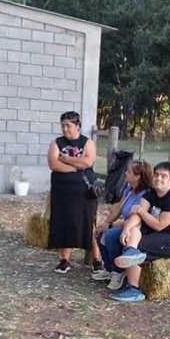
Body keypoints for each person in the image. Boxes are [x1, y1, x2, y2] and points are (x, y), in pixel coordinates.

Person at [112, 162, 170, 302]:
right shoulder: (151, 193)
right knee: (132, 233)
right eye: (156, 175)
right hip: (157, 234)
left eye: (164, 176)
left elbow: (159, 225)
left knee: (140, 245)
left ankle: (134, 289)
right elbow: (137, 216)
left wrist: (140, 210)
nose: (158, 178)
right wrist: (126, 228)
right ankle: (131, 251)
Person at [47, 111, 98, 274]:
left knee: (89, 223)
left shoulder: (87, 142)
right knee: (63, 222)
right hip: (62, 191)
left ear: (77, 126)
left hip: (84, 192)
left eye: (68, 125)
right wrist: (77, 166)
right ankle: (64, 259)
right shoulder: (56, 143)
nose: (65, 129)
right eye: (62, 125)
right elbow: (54, 164)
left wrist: (67, 159)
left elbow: (88, 161)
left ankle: (97, 259)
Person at [91, 159, 153, 290]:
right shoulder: (130, 190)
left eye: (129, 172)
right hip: (125, 225)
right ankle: (108, 269)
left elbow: (136, 220)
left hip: (138, 228)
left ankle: (118, 272)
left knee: (111, 235)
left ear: (138, 177)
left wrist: (112, 226)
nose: (125, 173)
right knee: (101, 232)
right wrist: (107, 222)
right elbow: (118, 209)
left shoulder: (146, 195)